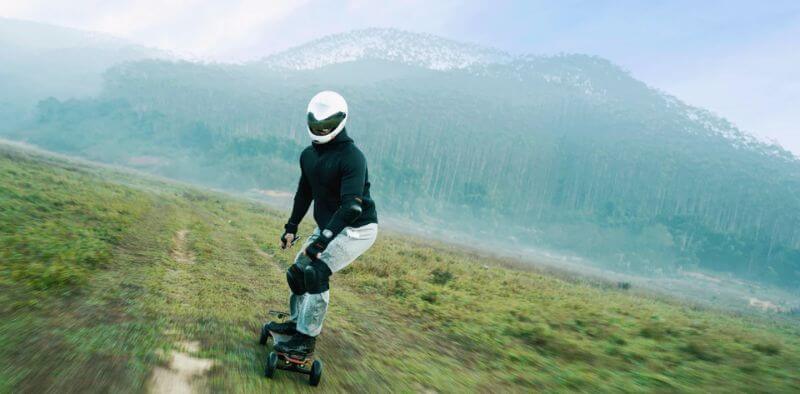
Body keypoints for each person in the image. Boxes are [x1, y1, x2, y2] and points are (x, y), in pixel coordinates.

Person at [269, 90, 378, 356]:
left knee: (315, 272)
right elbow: (304, 192)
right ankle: (296, 325)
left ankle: (306, 339)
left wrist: (321, 242)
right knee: (297, 272)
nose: (321, 130)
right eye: (315, 125)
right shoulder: (308, 155)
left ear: (341, 121)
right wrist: (291, 227)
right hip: (329, 224)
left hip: (356, 229)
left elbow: (352, 207)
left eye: (326, 126)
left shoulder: (352, 157)